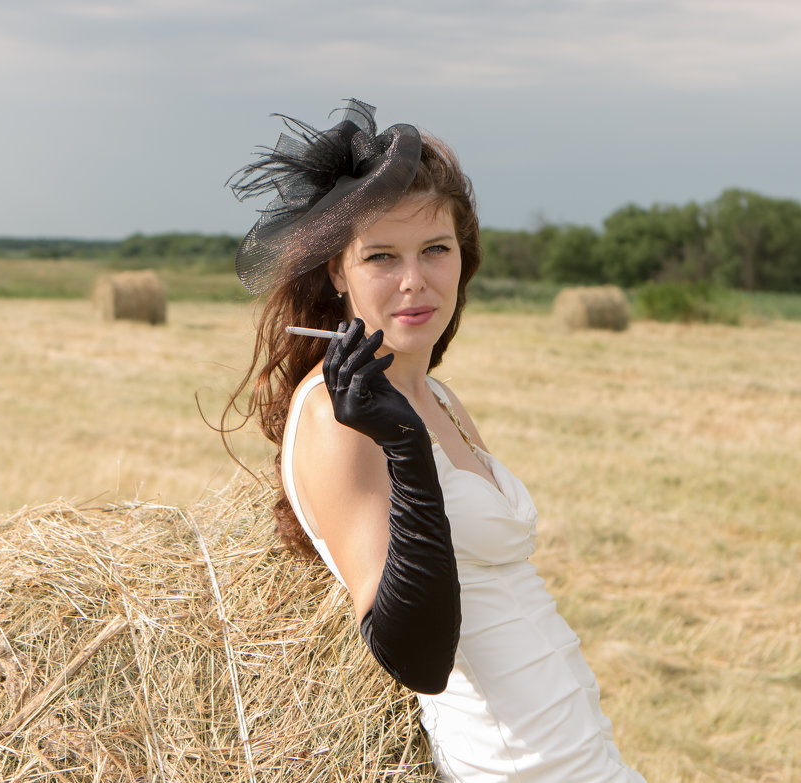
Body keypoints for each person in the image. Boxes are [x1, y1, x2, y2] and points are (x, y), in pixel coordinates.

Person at [225, 99, 645, 782]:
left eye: (435, 250)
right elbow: (415, 653)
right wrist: (406, 449)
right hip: (510, 767)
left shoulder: (440, 396)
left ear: (462, 256)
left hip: (584, 753)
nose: (414, 279)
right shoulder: (340, 418)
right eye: (382, 257)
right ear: (338, 271)